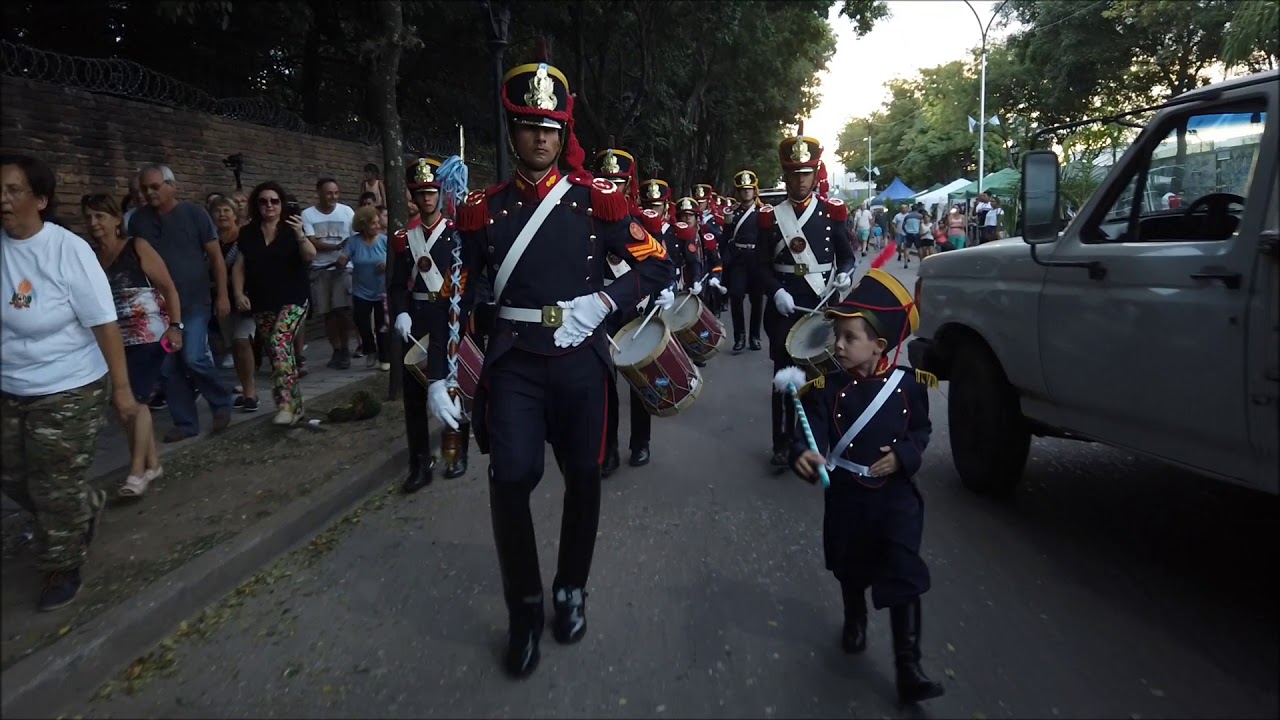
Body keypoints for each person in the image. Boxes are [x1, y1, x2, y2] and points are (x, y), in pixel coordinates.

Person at [450, 49, 674, 679]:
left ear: (563, 132)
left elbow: (658, 264)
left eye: (550, 128)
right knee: (510, 479)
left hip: (579, 361)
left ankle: (571, 588)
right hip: (517, 361)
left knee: (583, 476)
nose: (540, 137)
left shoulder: (597, 202)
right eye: (529, 127)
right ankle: (524, 609)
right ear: (513, 132)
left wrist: (605, 299)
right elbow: (458, 290)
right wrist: (446, 368)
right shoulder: (484, 211)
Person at [787, 268, 944, 705]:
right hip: (847, 495)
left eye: (849, 337)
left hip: (895, 498)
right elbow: (811, 431)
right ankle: (853, 614)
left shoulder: (910, 385)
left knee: (902, 571)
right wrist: (805, 451)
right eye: (836, 335)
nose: (837, 345)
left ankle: (908, 666)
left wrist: (906, 457)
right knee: (850, 565)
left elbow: (922, 430)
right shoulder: (823, 388)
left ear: (878, 346)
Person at [1, 155, 142, 610]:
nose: (2, 199)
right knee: (12, 476)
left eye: (13, 190)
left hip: (70, 385)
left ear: (40, 200)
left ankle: (62, 564)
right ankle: (82, 503)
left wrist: (121, 392)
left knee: (52, 484)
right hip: (10, 385)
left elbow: (104, 323)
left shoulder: (68, 250)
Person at [754, 123, 857, 467]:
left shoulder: (832, 213)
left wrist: (845, 273)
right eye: (794, 173)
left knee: (820, 377)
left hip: (822, 304)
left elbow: (846, 254)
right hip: (785, 307)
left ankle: (812, 439)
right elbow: (761, 266)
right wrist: (776, 290)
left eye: (806, 173)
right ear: (785, 174)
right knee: (784, 379)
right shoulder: (770, 217)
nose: (800, 180)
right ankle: (781, 442)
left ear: (816, 174)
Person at [82, 193, 183, 497]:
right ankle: (152, 464)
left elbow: (168, 287)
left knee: (134, 399)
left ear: (116, 219)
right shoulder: (90, 256)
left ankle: (137, 472)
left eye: (100, 216)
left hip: (149, 336)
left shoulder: (137, 247)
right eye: (88, 217)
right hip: (112, 339)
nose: (93, 223)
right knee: (124, 403)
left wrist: (176, 327)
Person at [128, 164, 233, 443]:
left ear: (171, 186)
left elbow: (216, 257)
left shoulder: (194, 214)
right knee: (168, 366)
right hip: (158, 310)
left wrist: (222, 294)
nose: (149, 193)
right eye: (145, 188)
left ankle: (221, 403)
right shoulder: (138, 221)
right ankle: (185, 422)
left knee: (195, 357)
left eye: (155, 186)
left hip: (195, 303)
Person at [389, 156, 473, 491]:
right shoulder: (403, 238)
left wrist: (463, 314)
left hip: (450, 318)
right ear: (413, 195)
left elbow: (471, 280)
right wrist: (400, 311)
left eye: (432, 192)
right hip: (417, 320)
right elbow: (397, 285)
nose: (427, 198)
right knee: (414, 397)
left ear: (441, 193)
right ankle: (420, 463)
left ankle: (457, 453)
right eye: (421, 193)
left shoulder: (458, 234)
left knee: (454, 388)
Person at [595, 144, 667, 474]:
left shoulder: (643, 221)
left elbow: (662, 264)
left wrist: (666, 290)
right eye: (605, 179)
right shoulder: (587, 222)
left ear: (628, 185)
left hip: (636, 306)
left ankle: (641, 442)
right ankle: (606, 448)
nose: (612, 186)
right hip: (600, 310)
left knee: (638, 379)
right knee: (603, 383)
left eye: (619, 181)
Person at [231, 182, 316, 426]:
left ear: (281, 204)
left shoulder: (292, 228)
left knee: (279, 344)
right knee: (277, 352)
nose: (269, 205)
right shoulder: (248, 233)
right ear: (256, 204)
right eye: (263, 201)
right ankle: (295, 407)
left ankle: (286, 405)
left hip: (293, 298)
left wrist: (300, 235)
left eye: (274, 201)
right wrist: (238, 293)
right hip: (262, 300)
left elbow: (310, 256)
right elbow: (239, 266)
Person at [209, 196, 259, 410]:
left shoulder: (245, 238)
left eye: (226, 210)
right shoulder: (211, 242)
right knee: (233, 347)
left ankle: (251, 394)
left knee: (241, 341)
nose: (222, 215)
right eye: (218, 211)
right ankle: (246, 387)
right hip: (220, 300)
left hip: (245, 298)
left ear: (235, 213)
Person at [302, 178, 357, 370]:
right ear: (319, 193)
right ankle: (335, 349)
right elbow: (311, 241)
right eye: (328, 193)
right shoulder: (308, 214)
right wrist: (335, 246)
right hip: (320, 268)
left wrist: (344, 254)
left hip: (342, 268)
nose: (333, 197)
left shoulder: (347, 212)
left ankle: (345, 349)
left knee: (342, 310)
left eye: (335, 193)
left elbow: (353, 237)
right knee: (328, 313)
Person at [338, 206, 390, 371]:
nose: (378, 226)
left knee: (383, 325)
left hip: (382, 291)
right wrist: (341, 261)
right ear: (363, 225)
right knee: (362, 323)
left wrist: (388, 265)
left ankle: (385, 358)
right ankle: (370, 350)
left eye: (377, 222)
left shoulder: (384, 240)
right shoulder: (353, 242)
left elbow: (397, 261)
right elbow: (343, 259)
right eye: (373, 223)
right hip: (361, 291)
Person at [723, 169, 765, 353]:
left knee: (757, 300)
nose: (746, 192)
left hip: (757, 259)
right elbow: (725, 238)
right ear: (738, 192)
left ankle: (754, 337)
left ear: (754, 190)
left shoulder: (763, 212)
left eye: (749, 189)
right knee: (736, 296)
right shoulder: (733, 213)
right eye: (743, 189)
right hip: (739, 260)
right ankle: (739, 337)